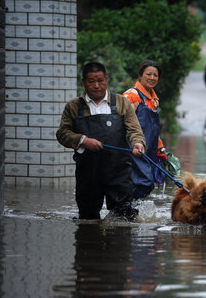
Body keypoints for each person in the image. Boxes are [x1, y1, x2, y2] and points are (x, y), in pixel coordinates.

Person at [56, 62, 146, 220]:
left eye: (100, 81)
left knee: (124, 217)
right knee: (87, 218)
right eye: (91, 81)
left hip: (119, 171)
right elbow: (62, 134)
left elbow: (134, 129)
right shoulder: (73, 107)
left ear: (106, 80)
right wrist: (83, 140)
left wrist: (137, 144)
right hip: (88, 173)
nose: (96, 86)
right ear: (83, 82)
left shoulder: (121, 102)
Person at [123, 60, 167, 199]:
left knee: (149, 183)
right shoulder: (131, 95)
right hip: (133, 150)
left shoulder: (154, 100)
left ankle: (126, 212)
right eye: (149, 74)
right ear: (140, 75)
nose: (152, 78)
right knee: (144, 183)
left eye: (155, 75)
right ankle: (123, 209)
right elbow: (120, 122)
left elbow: (154, 129)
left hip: (149, 150)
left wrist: (160, 148)